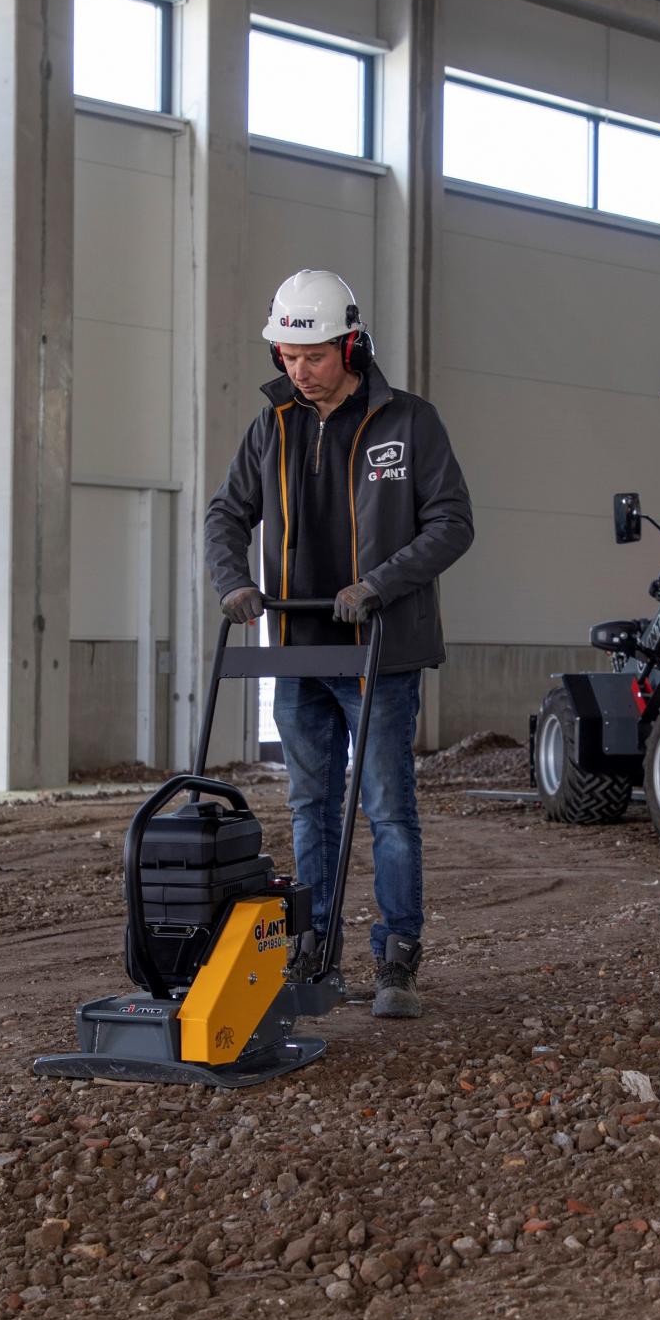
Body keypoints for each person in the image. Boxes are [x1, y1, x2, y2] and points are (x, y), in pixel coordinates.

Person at [205, 269, 473, 1018]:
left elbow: (452, 522)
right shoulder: (273, 424)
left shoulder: (409, 423)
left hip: (379, 655)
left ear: (351, 345)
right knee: (309, 806)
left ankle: (396, 960)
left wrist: (379, 585)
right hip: (295, 646)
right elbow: (226, 513)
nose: (299, 370)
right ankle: (312, 953)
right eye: (287, 357)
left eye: (314, 356)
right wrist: (232, 581)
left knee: (388, 806)